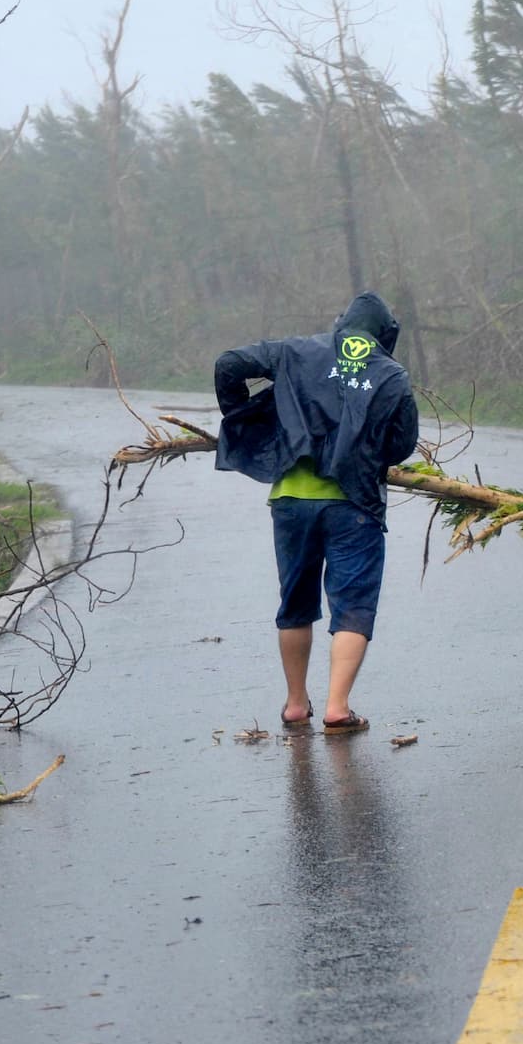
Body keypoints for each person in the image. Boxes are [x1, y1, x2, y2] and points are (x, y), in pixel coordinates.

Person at [214, 292, 421, 734]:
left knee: (296, 602)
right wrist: (367, 455)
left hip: (291, 500)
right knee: (353, 605)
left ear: (342, 323)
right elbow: (402, 443)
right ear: (385, 335)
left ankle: (295, 704)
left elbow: (229, 364)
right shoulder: (391, 374)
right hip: (354, 503)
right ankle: (337, 708)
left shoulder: (296, 351)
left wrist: (250, 418)